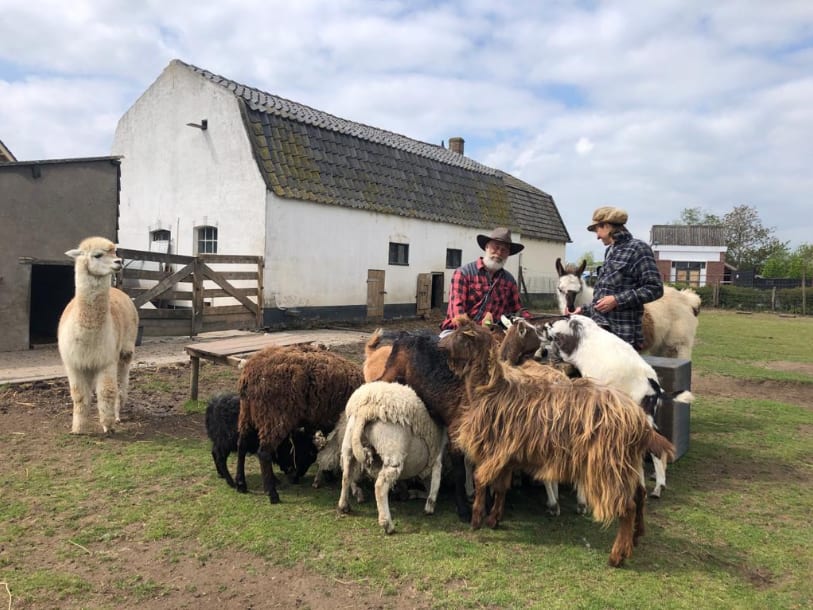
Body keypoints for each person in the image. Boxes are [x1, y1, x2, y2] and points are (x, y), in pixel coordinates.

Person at [574, 206, 664, 350]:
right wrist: (583, 310)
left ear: (607, 226)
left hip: (623, 338)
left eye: (597, 230)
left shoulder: (638, 249)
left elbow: (655, 288)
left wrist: (617, 300)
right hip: (602, 333)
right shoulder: (610, 251)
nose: (597, 236)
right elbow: (604, 296)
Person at [440, 227, 530, 334]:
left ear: (508, 254)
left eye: (504, 250)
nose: (499, 253)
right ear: (486, 247)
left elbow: (518, 309)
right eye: (495, 247)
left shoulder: (509, 280)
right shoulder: (463, 273)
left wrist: (534, 322)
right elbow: (457, 314)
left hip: (494, 334)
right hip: (460, 332)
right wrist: (478, 330)